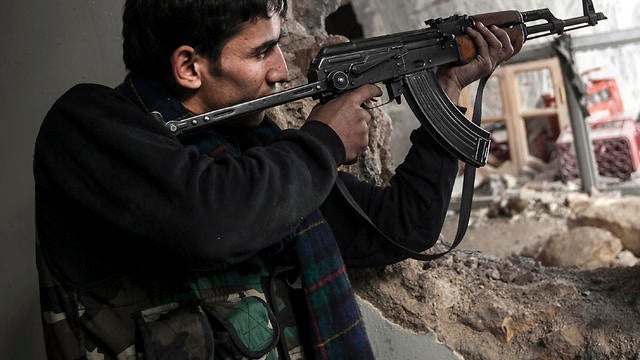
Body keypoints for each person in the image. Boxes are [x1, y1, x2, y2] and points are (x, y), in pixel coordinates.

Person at [33, 0, 516, 358]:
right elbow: (211, 221)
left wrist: (448, 86)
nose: (282, 72)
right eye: (262, 51)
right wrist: (322, 143)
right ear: (188, 66)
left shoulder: (259, 149)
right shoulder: (89, 127)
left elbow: (400, 226)